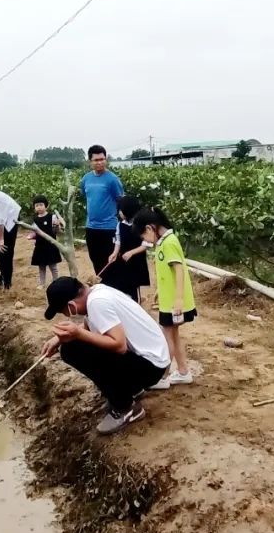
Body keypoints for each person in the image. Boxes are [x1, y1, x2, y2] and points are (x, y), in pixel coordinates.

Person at [41, 277, 170, 435]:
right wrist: (58, 339)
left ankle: (126, 408)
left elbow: (119, 345)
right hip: (150, 360)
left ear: (71, 306)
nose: (66, 315)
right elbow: (93, 327)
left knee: (72, 350)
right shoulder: (96, 294)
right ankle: (131, 390)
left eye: (63, 312)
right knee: (74, 345)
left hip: (151, 367)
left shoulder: (97, 303)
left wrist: (78, 333)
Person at [132, 208, 195, 389]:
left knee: (167, 336)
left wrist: (179, 299)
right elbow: (167, 273)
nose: (144, 240)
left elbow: (179, 270)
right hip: (168, 300)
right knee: (173, 335)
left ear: (150, 228)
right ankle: (183, 372)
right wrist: (160, 291)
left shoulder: (169, 243)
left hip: (174, 302)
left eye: (143, 235)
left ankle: (163, 376)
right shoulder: (163, 243)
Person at [80, 145, 124, 275]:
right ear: (90, 162)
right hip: (91, 227)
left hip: (109, 227)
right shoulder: (86, 179)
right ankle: (102, 288)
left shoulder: (112, 179)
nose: (100, 162)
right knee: (95, 259)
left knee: (110, 262)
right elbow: (85, 195)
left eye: (102, 159)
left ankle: (113, 289)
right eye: (96, 160)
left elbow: (120, 200)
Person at [104, 196, 151, 302]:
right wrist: (114, 253)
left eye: (121, 210)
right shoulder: (120, 225)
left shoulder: (140, 225)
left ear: (128, 210)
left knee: (134, 285)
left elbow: (146, 244)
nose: (119, 212)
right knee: (123, 283)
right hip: (123, 260)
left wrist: (131, 252)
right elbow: (118, 241)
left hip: (136, 261)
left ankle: (136, 303)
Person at [30, 195, 62, 288]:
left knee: (53, 267)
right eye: (36, 205)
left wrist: (57, 226)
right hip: (40, 246)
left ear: (46, 206)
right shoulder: (35, 220)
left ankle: (56, 282)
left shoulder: (52, 217)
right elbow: (34, 232)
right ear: (34, 207)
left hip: (51, 245)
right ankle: (42, 284)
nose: (39, 207)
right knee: (41, 267)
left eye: (41, 205)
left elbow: (56, 231)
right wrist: (31, 235)